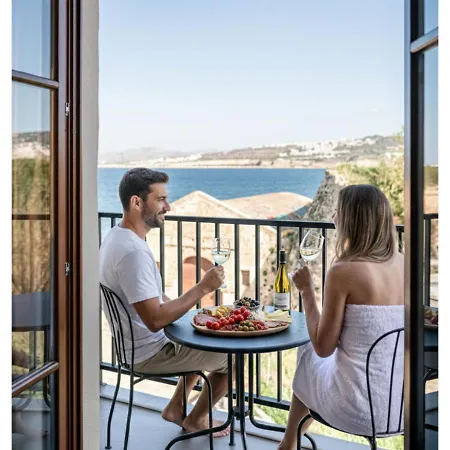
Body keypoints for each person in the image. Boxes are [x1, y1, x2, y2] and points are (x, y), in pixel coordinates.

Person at [100, 168, 230, 437]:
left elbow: (155, 300)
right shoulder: (133, 253)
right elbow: (155, 319)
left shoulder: (117, 236)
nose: (168, 207)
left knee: (202, 334)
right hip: (148, 352)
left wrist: (196, 314)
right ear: (137, 203)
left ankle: (175, 407)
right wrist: (203, 288)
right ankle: (195, 420)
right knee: (234, 360)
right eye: (160, 200)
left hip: (135, 345)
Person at [278, 184, 404, 449]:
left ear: (354, 220)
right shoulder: (405, 263)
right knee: (316, 361)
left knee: (307, 350)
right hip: (401, 406)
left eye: (339, 211)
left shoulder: (343, 271)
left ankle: (288, 443)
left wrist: (307, 291)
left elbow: (323, 348)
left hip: (356, 409)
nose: (334, 217)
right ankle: (289, 443)